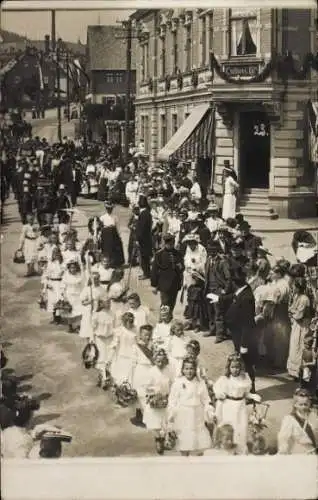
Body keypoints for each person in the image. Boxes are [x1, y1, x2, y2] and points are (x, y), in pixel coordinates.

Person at [209, 268, 258, 392]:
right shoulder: (243, 290)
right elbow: (233, 296)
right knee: (241, 364)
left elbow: (247, 323)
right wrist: (219, 299)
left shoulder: (246, 298)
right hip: (238, 335)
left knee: (246, 365)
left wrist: (244, 345)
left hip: (243, 337)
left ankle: (250, 390)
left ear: (234, 283)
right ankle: (243, 389)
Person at [213, 353, 261, 454]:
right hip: (228, 406)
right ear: (229, 367)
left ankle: (240, 450)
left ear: (241, 367)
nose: (235, 369)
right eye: (233, 367)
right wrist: (219, 394)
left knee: (241, 428)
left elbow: (246, 393)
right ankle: (228, 450)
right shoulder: (225, 379)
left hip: (240, 406)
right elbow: (218, 391)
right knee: (230, 429)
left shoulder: (245, 378)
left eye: (238, 367)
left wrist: (252, 396)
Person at [167, 357, 212, 456]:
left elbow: (205, 399)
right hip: (183, 413)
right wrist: (172, 414)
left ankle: (198, 459)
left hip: (197, 413)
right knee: (185, 439)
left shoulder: (200, 383)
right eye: (186, 369)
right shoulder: (178, 383)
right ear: (182, 370)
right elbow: (172, 400)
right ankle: (184, 459)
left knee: (199, 441)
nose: (189, 371)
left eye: (191, 369)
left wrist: (208, 410)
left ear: (195, 370)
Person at [143, 349, 175, 455]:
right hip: (155, 399)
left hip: (166, 398)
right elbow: (146, 387)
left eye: (162, 361)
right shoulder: (151, 372)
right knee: (155, 422)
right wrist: (154, 391)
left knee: (167, 421)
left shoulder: (169, 371)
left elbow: (172, 384)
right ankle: (158, 440)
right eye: (158, 361)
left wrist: (171, 395)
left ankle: (166, 438)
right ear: (154, 360)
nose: (160, 364)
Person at [203, 239, 232, 342]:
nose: (211, 252)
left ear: (217, 250)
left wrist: (225, 290)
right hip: (209, 289)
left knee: (218, 312)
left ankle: (220, 334)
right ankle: (212, 330)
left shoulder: (222, 262)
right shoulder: (208, 260)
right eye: (209, 250)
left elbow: (228, 277)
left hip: (218, 290)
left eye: (213, 250)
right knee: (210, 311)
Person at [151, 233, 184, 314]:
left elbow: (182, 268)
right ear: (165, 243)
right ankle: (163, 320)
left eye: (172, 243)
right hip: (164, 284)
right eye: (168, 244)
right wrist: (154, 285)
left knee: (172, 303)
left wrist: (180, 266)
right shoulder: (159, 254)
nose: (170, 245)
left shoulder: (178, 254)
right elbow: (154, 270)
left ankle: (169, 319)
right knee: (165, 303)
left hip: (175, 284)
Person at [277, 388, 318, 454]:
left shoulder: (313, 416)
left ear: (309, 404)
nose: (303, 407)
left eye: (306, 404)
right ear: (295, 405)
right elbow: (283, 439)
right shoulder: (289, 419)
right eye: (301, 404)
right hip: (298, 455)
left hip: (313, 453)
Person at [287, 277, 312, 379]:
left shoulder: (304, 299)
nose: (293, 288)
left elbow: (299, 315)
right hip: (296, 325)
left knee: (299, 346)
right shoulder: (297, 296)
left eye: (294, 286)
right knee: (294, 346)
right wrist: (292, 312)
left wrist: (292, 313)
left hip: (302, 325)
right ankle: (293, 371)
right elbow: (292, 309)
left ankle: (300, 371)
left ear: (298, 287)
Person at [130, 324, 154, 427]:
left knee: (148, 394)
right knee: (139, 394)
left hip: (151, 371)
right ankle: (139, 416)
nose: (147, 337)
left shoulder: (153, 346)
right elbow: (133, 363)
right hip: (140, 371)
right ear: (140, 335)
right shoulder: (135, 347)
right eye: (145, 335)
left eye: (149, 335)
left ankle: (149, 418)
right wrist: (130, 376)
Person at [107, 312, 137, 386]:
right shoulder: (119, 331)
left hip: (132, 357)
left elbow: (137, 344)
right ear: (124, 322)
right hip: (122, 357)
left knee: (130, 378)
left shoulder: (135, 330)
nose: (130, 324)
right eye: (128, 322)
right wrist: (109, 359)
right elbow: (114, 345)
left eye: (131, 322)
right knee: (120, 378)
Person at [92, 299, 115, 389]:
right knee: (101, 358)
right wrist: (92, 339)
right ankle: (102, 378)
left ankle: (107, 378)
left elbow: (115, 327)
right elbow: (92, 327)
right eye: (107, 302)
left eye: (110, 302)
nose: (109, 304)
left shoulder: (112, 314)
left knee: (109, 358)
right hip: (100, 339)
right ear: (101, 303)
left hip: (110, 339)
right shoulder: (96, 314)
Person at [100, 201, 125, 268]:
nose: (109, 210)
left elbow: (118, 227)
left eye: (110, 209)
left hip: (113, 234)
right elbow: (101, 227)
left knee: (114, 248)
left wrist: (119, 235)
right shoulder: (102, 217)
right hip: (106, 234)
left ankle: (115, 263)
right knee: (106, 249)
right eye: (108, 209)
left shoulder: (115, 217)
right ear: (106, 209)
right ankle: (107, 262)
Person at [135, 195, 153, 280]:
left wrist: (138, 239)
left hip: (143, 239)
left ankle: (146, 273)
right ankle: (147, 272)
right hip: (146, 238)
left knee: (144, 257)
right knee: (145, 257)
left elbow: (141, 229)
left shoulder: (144, 214)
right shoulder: (147, 213)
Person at [18, 213, 39, 277]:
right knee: (28, 256)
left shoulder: (36, 226)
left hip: (34, 242)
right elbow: (22, 236)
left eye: (32, 219)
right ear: (27, 220)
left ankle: (32, 270)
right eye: (30, 219)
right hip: (28, 242)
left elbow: (37, 235)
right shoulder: (25, 227)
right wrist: (20, 246)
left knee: (34, 256)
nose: (31, 220)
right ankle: (29, 271)